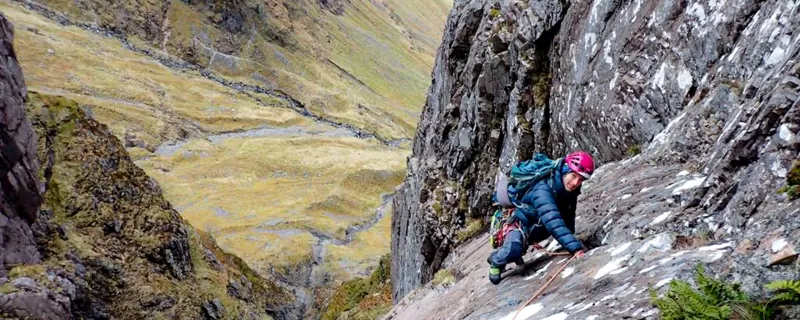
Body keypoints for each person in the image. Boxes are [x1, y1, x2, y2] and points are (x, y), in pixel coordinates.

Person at [487, 151, 595, 285]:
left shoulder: (567, 191)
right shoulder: (542, 189)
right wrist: (575, 248)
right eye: (573, 176)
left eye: (580, 180)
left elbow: (568, 213)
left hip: (535, 228)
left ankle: (503, 255)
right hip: (519, 224)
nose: (575, 183)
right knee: (514, 248)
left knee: (517, 250)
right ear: (565, 170)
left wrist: (572, 237)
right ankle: (496, 262)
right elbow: (553, 220)